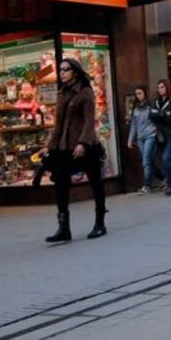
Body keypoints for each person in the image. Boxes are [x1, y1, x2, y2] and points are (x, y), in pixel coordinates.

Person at [44, 58, 106, 241]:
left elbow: (89, 121)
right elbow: (59, 124)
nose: (62, 72)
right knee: (61, 184)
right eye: (60, 70)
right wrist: (50, 147)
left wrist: (83, 143)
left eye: (66, 69)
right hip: (64, 147)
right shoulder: (61, 93)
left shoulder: (86, 93)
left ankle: (100, 223)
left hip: (87, 147)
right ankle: (64, 228)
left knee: (96, 184)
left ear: (75, 72)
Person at [150, 79, 171, 195]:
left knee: (167, 158)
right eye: (159, 87)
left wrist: (160, 114)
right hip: (160, 135)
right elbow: (151, 115)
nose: (160, 89)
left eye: (162, 87)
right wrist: (161, 114)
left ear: (167, 88)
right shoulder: (156, 101)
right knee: (164, 160)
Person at [127, 85, 159, 194]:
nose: (138, 96)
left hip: (150, 136)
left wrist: (155, 131)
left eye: (140, 93)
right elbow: (133, 125)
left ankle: (147, 185)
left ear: (145, 93)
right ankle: (163, 177)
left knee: (146, 161)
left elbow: (157, 120)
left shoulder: (151, 106)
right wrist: (130, 140)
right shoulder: (136, 108)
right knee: (148, 160)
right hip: (140, 138)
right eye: (136, 94)